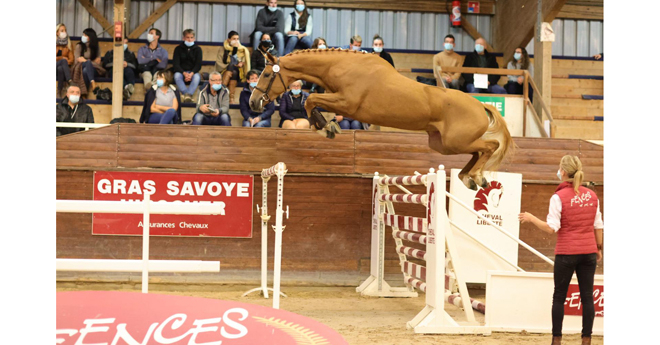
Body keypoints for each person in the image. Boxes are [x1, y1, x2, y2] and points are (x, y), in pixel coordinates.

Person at [518, 155, 603, 345]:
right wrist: (598, 248)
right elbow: (598, 225)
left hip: (566, 253)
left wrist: (531, 218)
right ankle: (586, 339)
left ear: (563, 172)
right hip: (588, 252)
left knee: (559, 297)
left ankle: (556, 339)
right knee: (587, 297)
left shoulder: (558, 197)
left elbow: (551, 228)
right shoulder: (592, 196)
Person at [215, 31, 251, 103]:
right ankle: (231, 98)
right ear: (229, 40)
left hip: (239, 73)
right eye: (234, 39)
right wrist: (230, 65)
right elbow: (219, 63)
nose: (236, 41)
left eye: (237, 39)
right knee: (232, 70)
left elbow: (245, 64)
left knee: (234, 70)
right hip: (224, 71)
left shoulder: (243, 50)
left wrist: (242, 64)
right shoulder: (222, 49)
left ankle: (220, 93)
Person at [101, 36, 138, 100]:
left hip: (127, 68)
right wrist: (116, 64)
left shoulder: (131, 53)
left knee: (129, 71)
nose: (125, 44)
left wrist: (127, 64)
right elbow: (105, 64)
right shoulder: (110, 53)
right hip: (113, 69)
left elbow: (135, 66)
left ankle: (129, 88)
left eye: (126, 42)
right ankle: (126, 88)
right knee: (117, 73)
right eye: (123, 42)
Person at [72, 28, 106, 96]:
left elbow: (98, 64)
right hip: (80, 68)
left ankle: (84, 94)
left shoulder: (96, 47)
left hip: (94, 69)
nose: (83, 36)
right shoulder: (79, 46)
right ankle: (93, 84)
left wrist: (85, 60)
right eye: (83, 35)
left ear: (90, 37)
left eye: (85, 35)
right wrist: (90, 62)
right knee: (85, 68)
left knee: (86, 69)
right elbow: (76, 62)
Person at [173, 29, 203, 103]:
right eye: (187, 37)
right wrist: (184, 73)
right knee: (176, 76)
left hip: (193, 72)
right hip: (181, 72)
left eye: (191, 37)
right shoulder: (178, 49)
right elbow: (176, 64)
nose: (190, 39)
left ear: (194, 38)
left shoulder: (198, 49)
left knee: (197, 77)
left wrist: (191, 73)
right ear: (183, 38)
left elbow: (198, 65)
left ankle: (188, 94)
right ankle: (187, 94)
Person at [56, 23, 74, 98]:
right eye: (62, 30)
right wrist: (62, 58)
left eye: (65, 30)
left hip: (62, 69)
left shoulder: (68, 44)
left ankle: (59, 91)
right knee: (63, 61)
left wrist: (65, 62)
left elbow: (71, 59)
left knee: (61, 68)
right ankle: (69, 80)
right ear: (57, 32)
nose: (64, 32)